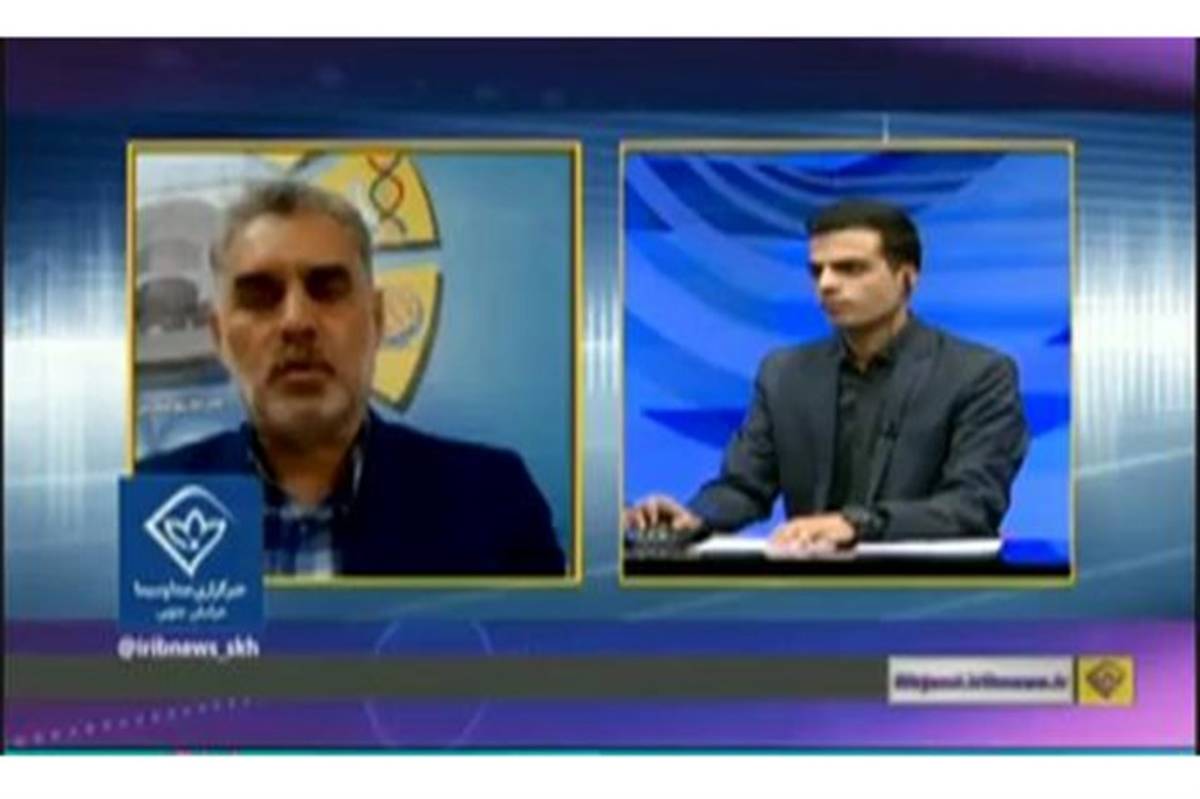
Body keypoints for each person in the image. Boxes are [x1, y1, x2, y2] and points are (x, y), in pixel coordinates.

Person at [139, 180, 566, 577]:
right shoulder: (147, 501)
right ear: (219, 338)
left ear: (377, 320)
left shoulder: (494, 501)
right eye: (261, 296)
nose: (297, 321)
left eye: (327, 289)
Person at [624, 198, 1030, 557]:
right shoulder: (784, 374)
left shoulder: (979, 374)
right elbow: (744, 487)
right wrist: (695, 516)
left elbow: (972, 505)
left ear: (907, 277)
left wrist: (855, 525)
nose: (827, 284)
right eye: (817, 270)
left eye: (850, 268)